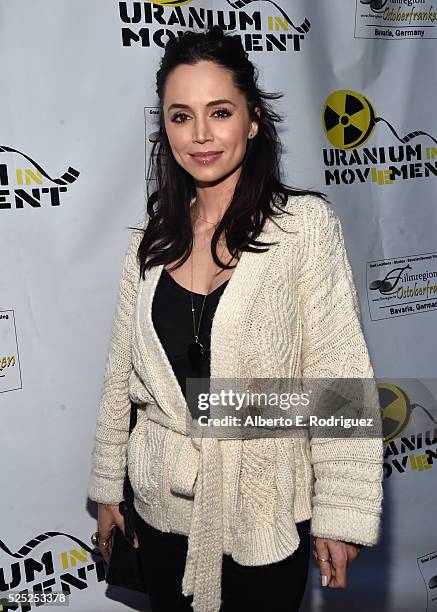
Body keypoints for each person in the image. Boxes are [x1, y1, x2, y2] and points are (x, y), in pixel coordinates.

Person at [87, 25, 383, 612]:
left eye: (219, 111)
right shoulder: (148, 242)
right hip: (162, 504)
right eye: (180, 115)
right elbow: (120, 378)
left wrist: (343, 515)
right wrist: (106, 489)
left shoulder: (304, 230)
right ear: (164, 126)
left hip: (264, 510)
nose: (200, 134)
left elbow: (339, 385)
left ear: (251, 119)